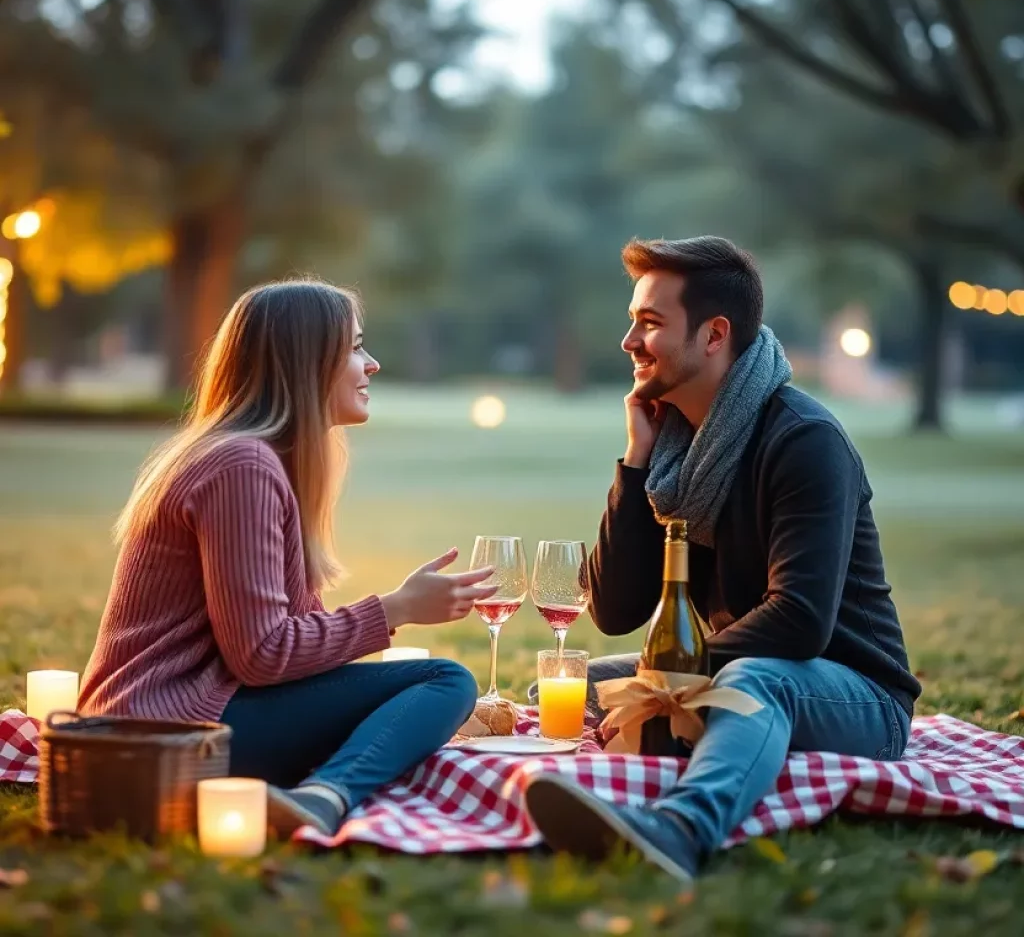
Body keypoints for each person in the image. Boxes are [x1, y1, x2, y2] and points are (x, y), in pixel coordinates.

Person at [524, 237, 919, 883]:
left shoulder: (804, 440)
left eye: (649, 324)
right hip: (737, 663)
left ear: (714, 335)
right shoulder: (678, 452)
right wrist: (635, 462)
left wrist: (666, 688)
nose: (628, 341)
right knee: (566, 689)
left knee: (748, 683)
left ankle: (679, 828)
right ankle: (602, 803)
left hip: (855, 694)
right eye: (632, 321)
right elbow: (616, 609)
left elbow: (798, 621)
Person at [79, 280, 496, 838]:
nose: (370, 365)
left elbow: (272, 646)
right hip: (164, 732)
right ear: (306, 361)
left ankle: (318, 790)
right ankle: (327, 796)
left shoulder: (251, 459)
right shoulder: (242, 466)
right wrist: (394, 609)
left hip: (176, 718)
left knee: (415, 688)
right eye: (354, 347)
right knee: (445, 681)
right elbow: (262, 655)